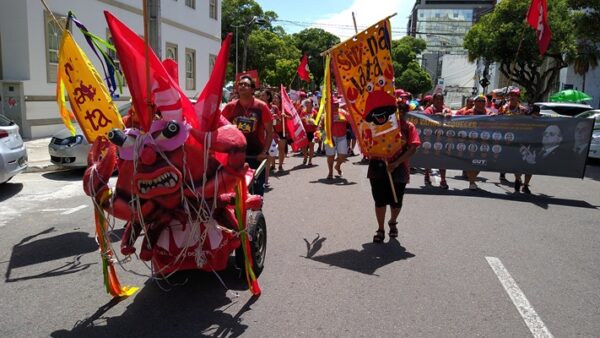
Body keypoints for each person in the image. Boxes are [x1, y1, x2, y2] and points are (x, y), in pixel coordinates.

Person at [369, 102, 420, 243]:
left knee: (396, 202)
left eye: (403, 110)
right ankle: (380, 229)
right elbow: (366, 140)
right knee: (379, 201)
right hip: (377, 165)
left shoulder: (409, 127)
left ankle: (393, 221)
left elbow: (413, 147)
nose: (400, 113)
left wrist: (396, 163)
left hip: (399, 167)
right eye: (397, 110)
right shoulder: (377, 125)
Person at [221, 75, 273, 195]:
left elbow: (270, 132)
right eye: (240, 84)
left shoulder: (261, 107)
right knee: (235, 192)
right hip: (235, 155)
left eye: (246, 85)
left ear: (253, 89)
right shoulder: (230, 107)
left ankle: (257, 212)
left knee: (256, 192)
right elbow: (222, 129)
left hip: (256, 156)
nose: (242, 86)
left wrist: (264, 152)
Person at [498, 88, 528, 191]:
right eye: (510, 95)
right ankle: (517, 178)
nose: (512, 97)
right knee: (510, 161)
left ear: (518, 97)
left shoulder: (523, 110)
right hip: (506, 139)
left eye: (514, 95)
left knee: (518, 160)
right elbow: (497, 121)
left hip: (519, 139)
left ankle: (517, 179)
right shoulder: (503, 108)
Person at [423, 93, 452, 189]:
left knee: (443, 159)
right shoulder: (429, 109)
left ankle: (443, 180)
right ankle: (427, 175)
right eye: (437, 99)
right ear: (433, 100)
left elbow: (451, 115)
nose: (439, 101)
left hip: (443, 138)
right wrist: (435, 116)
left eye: (441, 99)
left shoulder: (446, 109)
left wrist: (448, 115)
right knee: (428, 158)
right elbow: (425, 117)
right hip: (431, 138)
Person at [463, 95, 490, 190]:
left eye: (483, 101)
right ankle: (472, 182)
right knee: (471, 162)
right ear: (475, 102)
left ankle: (472, 179)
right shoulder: (468, 113)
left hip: (484, 142)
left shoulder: (489, 113)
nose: (481, 103)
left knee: (480, 163)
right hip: (470, 142)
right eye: (479, 101)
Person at [325, 98, 350, 179]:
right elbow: (323, 123)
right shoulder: (327, 113)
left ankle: (337, 166)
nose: (336, 105)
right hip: (330, 136)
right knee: (330, 156)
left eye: (337, 104)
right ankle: (330, 172)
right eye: (334, 104)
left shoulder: (343, 112)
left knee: (343, 155)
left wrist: (342, 120)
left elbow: (350, 120)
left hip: (342, 136)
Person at [272, 93, 291, 171]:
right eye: (274, 98)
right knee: (272, 149)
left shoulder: (284, 108)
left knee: (281, 149)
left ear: (280, 99)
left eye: (277, 98)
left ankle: (280, 165)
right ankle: (272, 165)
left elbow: (291, 116)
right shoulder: (271, 107)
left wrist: (285, 116)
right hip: (273, 130)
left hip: (282, 131)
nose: (275, 99)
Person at [300, 98, 318, 165]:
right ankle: (305, 156)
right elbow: (300, 119)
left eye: (308, 102)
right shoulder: (303, 112)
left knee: (311, 146)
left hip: (312, 131)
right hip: (304, 131)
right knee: (303, 146)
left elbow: (317, 121)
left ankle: (310, 160)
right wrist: (303, 119)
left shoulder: (314, 112)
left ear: (311, 104)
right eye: (306, 103)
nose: (307, 104)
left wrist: (313, 122)